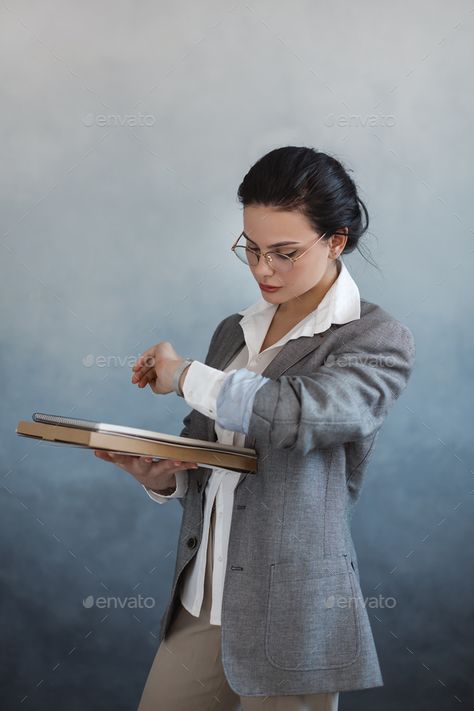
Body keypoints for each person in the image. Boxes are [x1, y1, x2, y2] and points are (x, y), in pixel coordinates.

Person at [94, 146, 416, 710]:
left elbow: (300, 414)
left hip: (293, 611)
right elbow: (213, 463)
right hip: (203, 596)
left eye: (285, 253)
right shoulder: (233, 332)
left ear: (336, 241)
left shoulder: (375, 339)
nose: (263, 269)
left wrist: (186, 375)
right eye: (252, 248)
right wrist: (160, 477)